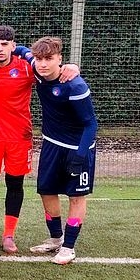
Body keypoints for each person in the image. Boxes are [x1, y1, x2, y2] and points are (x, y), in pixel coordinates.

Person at [0, 26, 78, 254]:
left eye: (5, 44)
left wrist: (72, 67)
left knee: (15, 184)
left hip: (19, 137)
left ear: (13, 45)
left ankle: (9, 235)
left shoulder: (27, 67)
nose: (0, 49)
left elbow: (52, 70)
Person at [27, 37, 97, 265]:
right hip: (51, 144)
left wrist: (80, 155)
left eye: (49, 58)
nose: (43, 63)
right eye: (39, 59)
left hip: (77, 148)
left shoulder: (75, 86)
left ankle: (69, 247)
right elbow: (18, 50)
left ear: (59, 59)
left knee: (76, 196)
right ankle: (56, 238)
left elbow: (91, 124)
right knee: (46, 191)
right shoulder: (36, 70)